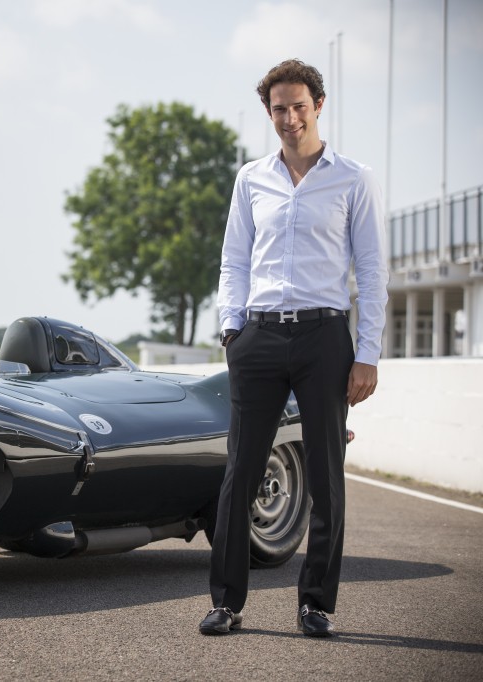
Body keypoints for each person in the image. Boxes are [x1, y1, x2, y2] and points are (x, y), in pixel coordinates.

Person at [199, 58, 388, 637]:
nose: (289, 117)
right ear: (269, 112)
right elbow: (233, 259)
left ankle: (316, 604)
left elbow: (372, 269)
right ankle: (227, 602)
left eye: (298, 106)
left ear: (318, 106)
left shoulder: (352, 178)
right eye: (279, 108)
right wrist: (232, 331)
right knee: (241, 472)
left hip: (325, 338)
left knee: (327, 476)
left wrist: (368, 352)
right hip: (257, 337)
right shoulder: (251, 178)